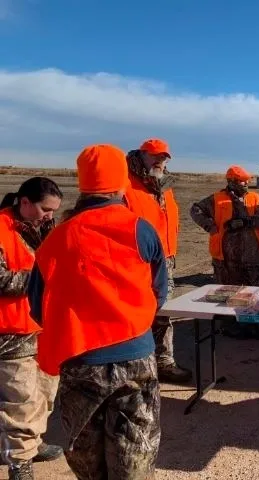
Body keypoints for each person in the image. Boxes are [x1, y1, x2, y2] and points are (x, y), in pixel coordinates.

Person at [28, 144, 167, 479]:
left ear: (83, 184)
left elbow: (37, 306)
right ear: (121, 184)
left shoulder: (57, 237)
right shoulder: (141, 230)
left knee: (89, 464)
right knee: (134, 459)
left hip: (80, 362)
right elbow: (160, 292)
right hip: (136, 357)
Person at [0, 178, 64, 479]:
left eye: (53, 211)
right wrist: (44, 280)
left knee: (46, 395)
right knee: (20, 404)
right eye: (45, 209)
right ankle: (19, 466)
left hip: (45, 328)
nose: (49, 215)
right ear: (24, 202)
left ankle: (33, 446)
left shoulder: (44, 229)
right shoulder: (1, 229)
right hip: (11, 334)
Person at [124, 138, 191, 384]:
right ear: (141, 155)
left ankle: (164, 363)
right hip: (137, 262)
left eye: (164, 157)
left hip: (166, 260)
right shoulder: (125, 184)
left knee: (163, 314)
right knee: (138, 314)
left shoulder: (163, 186)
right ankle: (136, 366)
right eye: (155, 156)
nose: (160, 161)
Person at [190, 165, 259, 287]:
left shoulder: (255, 197)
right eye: (242, 180)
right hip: (226, 260)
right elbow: (195, 210)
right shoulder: (217, 199)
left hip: (253, 257)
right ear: (232, 181)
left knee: (255, 294)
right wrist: (210, 226)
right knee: (225, 295)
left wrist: (244, 222)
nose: (246, 182)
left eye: (247, 179)